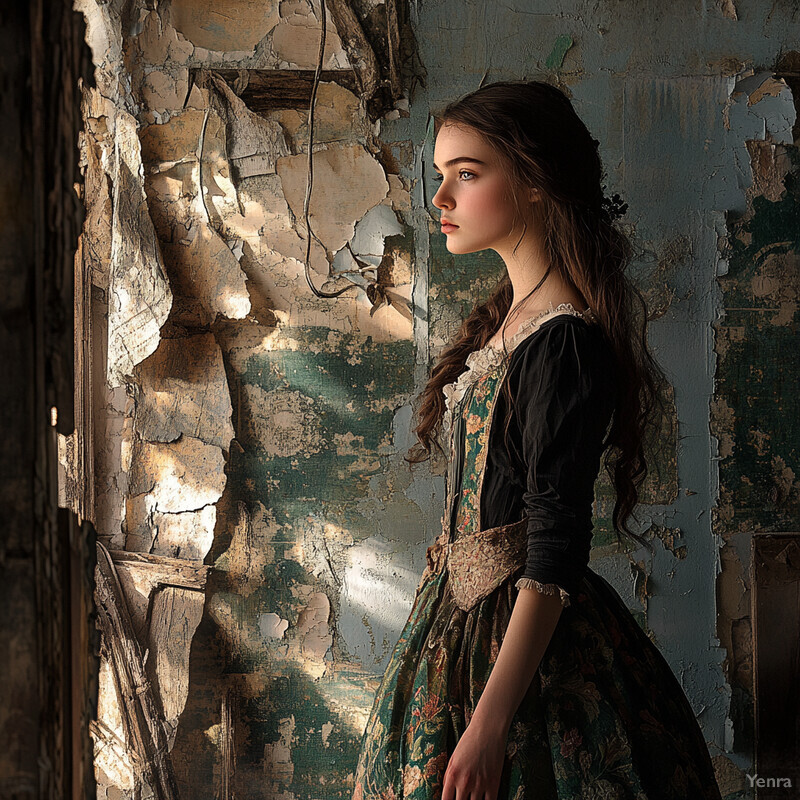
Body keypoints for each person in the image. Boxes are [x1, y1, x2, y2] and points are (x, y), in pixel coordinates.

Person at [351, 80, 723, 800]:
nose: (441, 201)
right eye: (440, 176)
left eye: (467, 173)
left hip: (526, 647)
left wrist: (489, 724)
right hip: (455, 627)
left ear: (533, 184)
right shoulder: (509, 326)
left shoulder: (563, 344)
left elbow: (555, 543)